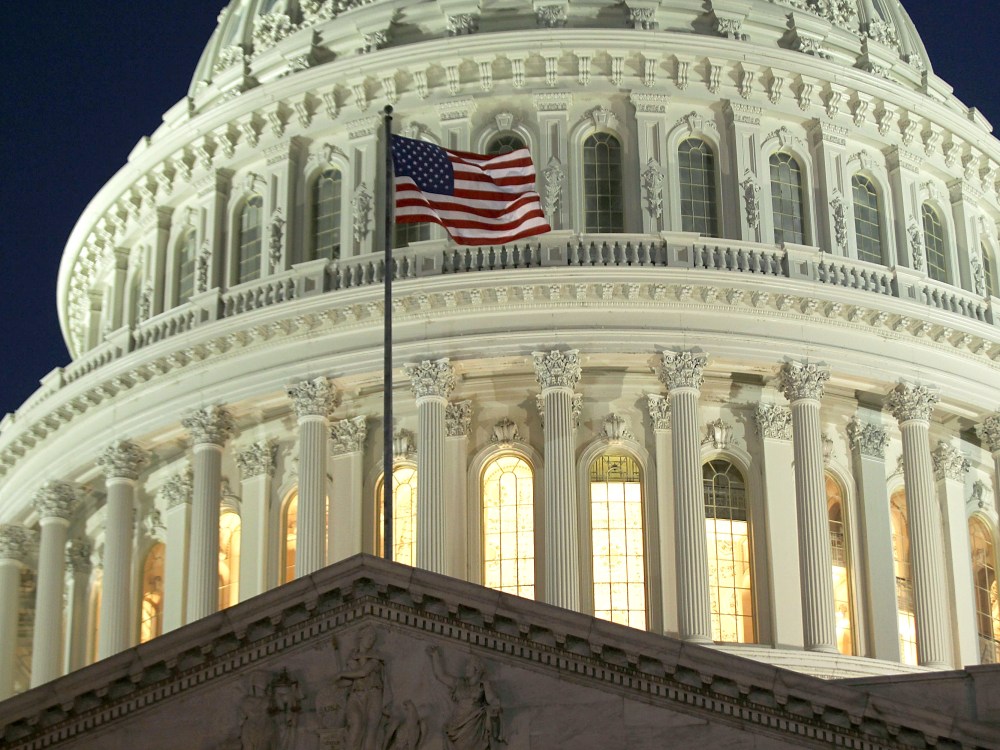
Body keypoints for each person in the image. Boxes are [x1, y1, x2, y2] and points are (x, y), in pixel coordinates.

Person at [427, 645, 504, 750]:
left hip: (473, 724)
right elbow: (441, 675)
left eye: (469, 666)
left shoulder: (483, 685)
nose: (466, 668)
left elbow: (492, 699)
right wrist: (435, 656)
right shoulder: (459, 683)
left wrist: (494, 702)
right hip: (456, 724)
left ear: (476, 669)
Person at [332, 627, 388, 750]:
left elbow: (363, 672)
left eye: (373, 638)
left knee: (371, 730)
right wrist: (338, 682)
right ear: (361, 637)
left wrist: (342, 673)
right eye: (369, 637)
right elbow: (349, 681)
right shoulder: (352, 657)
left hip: (374, 694)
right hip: (356, 695)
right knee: (356, 725)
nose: (371, 640)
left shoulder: (376, 657)